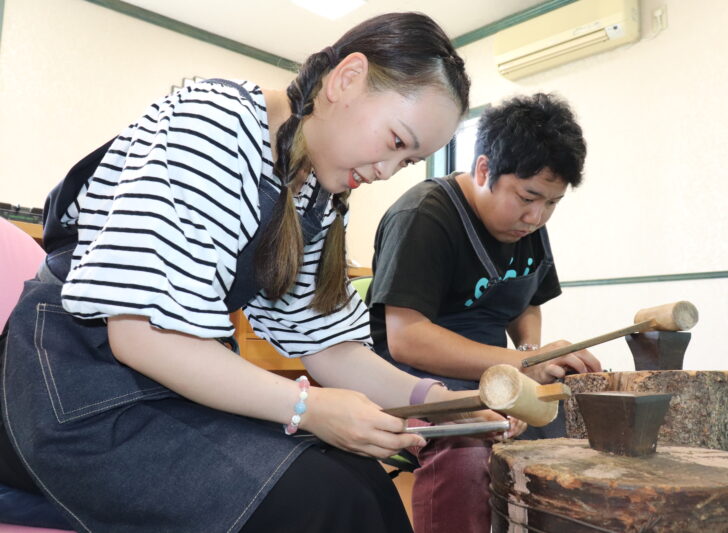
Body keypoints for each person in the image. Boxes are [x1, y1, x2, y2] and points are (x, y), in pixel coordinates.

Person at [0, 12, 513, 533]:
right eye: (396, 142)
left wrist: (442, 402)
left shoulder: (318, 192)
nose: (386, 171)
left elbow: (330, 349)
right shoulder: (213, 122)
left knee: (358, 478)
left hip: (164, 386)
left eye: (408, 161)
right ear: (347, 79)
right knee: (327, 500)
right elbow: (142, 336)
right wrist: (308, 407)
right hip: (75, 389)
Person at [368, 93, 603, 533]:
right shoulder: (424, 215)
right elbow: (407, 338)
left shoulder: (528, 226)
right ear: (482, 170)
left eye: (552, 203)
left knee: (579, 416)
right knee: (469, 442)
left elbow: (528, 299)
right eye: (528, 197)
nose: (536, 216)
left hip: (493, 373)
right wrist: (522, 364)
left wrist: (532, 355)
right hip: (411, 379)